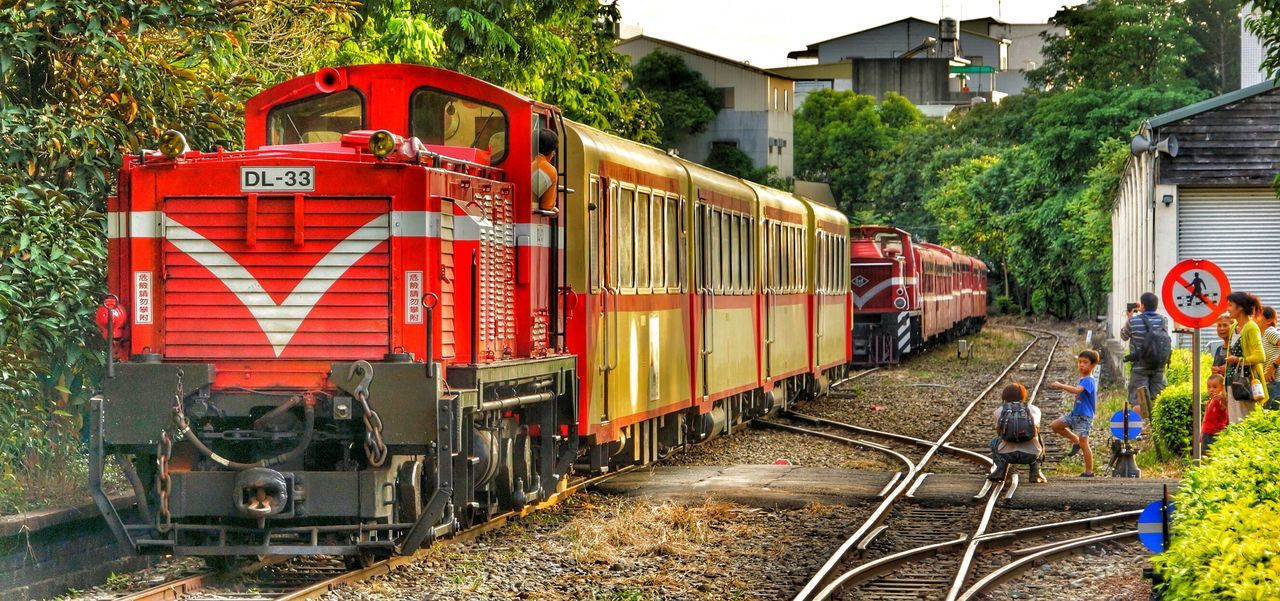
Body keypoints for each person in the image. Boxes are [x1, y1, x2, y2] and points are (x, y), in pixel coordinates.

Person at [1049, 350, 1100, 477]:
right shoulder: (1083, 378)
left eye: (1085, 363)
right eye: (1080, 362)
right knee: (1055, 425)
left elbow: (1077, 390)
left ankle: (1089, 472)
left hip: (1084, 417)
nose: (1081, 365)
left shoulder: (1089, 380)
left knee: (1085, 444)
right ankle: (1074, 440)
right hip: (1075, 414)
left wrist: (1061, 385)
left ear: (1093, 366)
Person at [988, 383, 1046, 483]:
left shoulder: (999, 411)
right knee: (1039, 437)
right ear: (1023, 395)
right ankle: (1036, 472)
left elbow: (999, 433)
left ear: (1005, 396)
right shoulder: (1035, 409)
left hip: (1007, 455)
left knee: (994, 441)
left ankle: (1000, 470)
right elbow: (1036, 430)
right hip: (1031, 455)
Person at [1120, 292, 1170, 407]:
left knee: (1139, 402)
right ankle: (1155, 424)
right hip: (1159, 366)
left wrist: (1129, 318)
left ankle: (1143, 424)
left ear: (1142, 306)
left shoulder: (1133, 322)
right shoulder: (1163, 321)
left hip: (1140, 366)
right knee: (1158, 400)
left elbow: (1124, 336)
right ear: (1156, 306)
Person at [1225, 291, 1268, 423]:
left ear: (1241, 307)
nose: (1228, 309)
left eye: (1230, 305)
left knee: (1245, 421)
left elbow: (1261, 356)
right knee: (1233, 422)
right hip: (1232, 381)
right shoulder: (1233, 327)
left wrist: (1239, 360)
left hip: (1247, 384)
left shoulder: (1251, 327)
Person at [532, 129, 558, 216]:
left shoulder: (521, 161)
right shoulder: (550, 170)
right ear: (551, 152)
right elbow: (546, 206)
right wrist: (553, 209)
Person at [1257, 306, 1280, 409]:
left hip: (1276, 381)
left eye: (1258, 315)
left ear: (1269, 320)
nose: (1254, 318)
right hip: (1270, 383)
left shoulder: (1269, 332)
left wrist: (1273, 367)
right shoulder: (1261, 336)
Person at [1202, 374, 1228, 453]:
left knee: (1214, 454)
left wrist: (1222, 397)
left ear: (1222, 388)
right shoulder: (1209, 402)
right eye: (1209, 387)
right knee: (1205, 455)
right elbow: (1205, 418)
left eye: (1215, 387)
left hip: (1216, 434)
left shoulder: (1220, 401)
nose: (1211, 390)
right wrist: (1201, 432)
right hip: (1206, 433)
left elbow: (1225, 404)